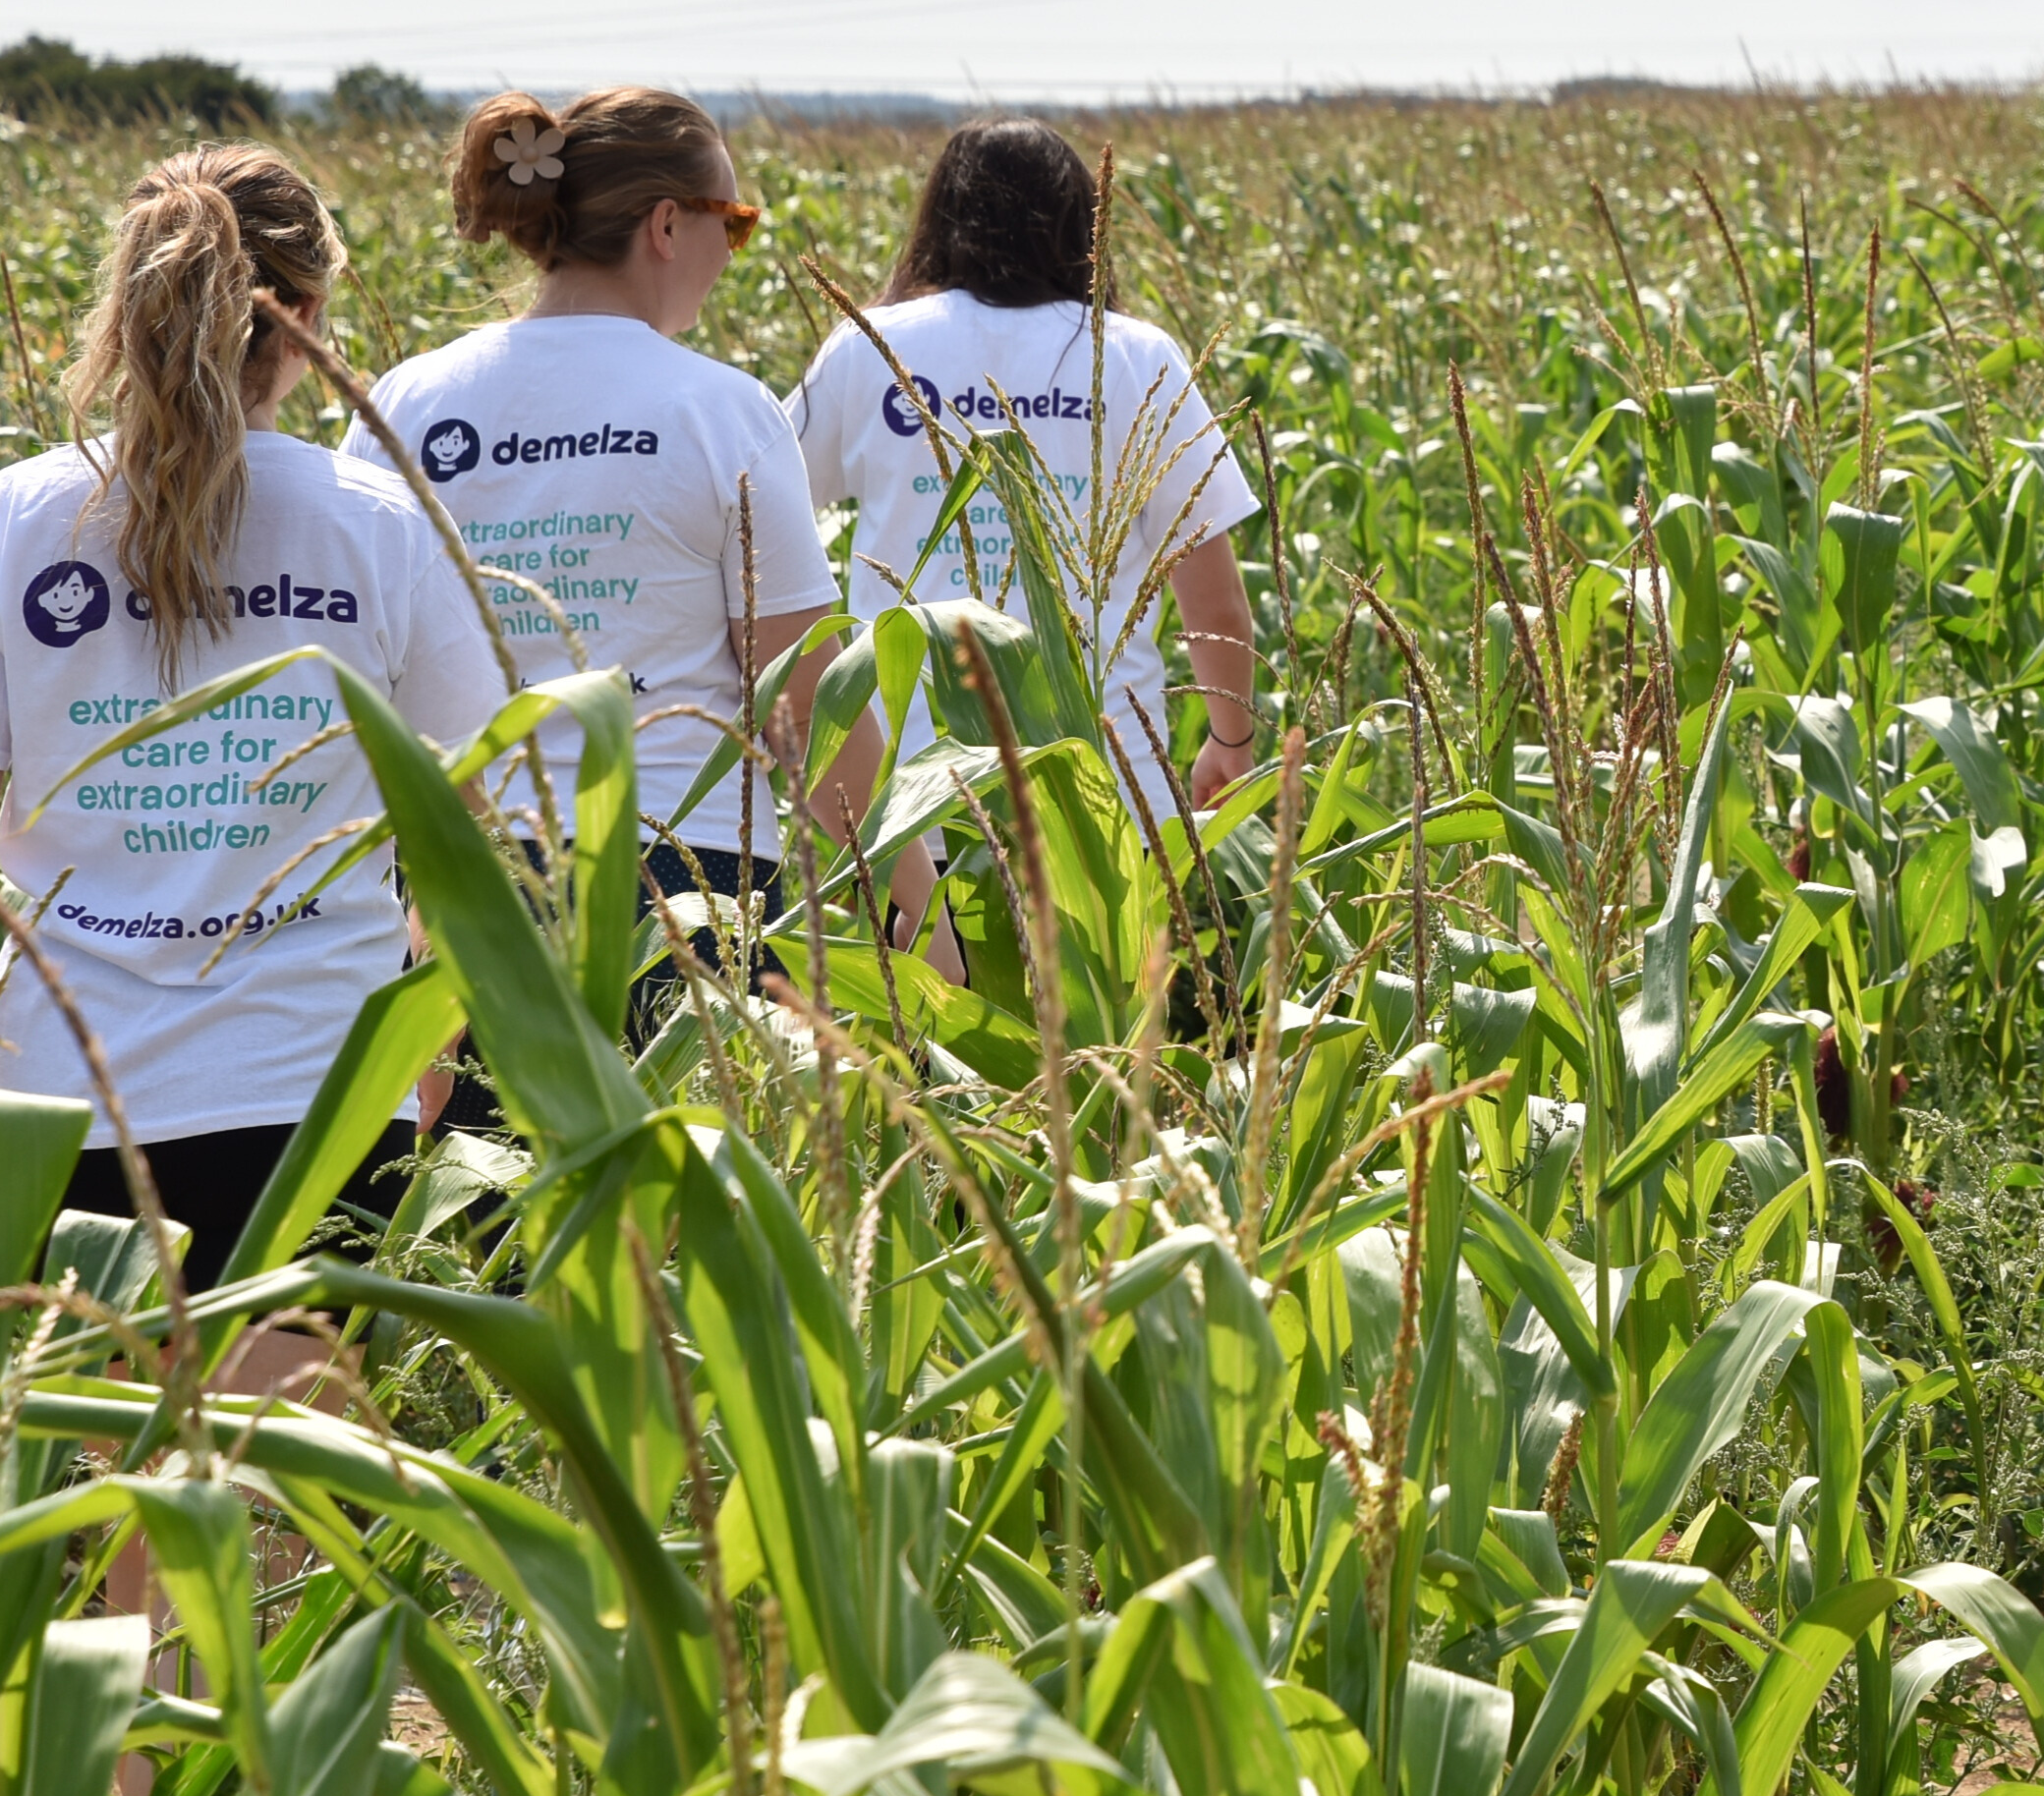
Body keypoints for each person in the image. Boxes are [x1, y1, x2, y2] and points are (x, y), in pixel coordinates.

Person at [0, 145, 507, 1285]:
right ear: (312, 315)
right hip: (319, 1080)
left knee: (92, 1455)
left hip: (59, 1097)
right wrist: (433, 1053)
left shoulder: (16, 520)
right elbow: (467, 829)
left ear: (127, 310)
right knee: (292, 1459)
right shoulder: (383, 525)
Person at [354, 88, 952, 981]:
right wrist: (916, 898)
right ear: (667, 226)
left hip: (455, 885)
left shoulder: (404, 401)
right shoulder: (722, 410)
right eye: (735, 222)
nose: (734, 252)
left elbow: (357, 663)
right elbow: (798, 693)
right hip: (684, 882)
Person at [786, 119, 1259, 814]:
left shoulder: (870, 346)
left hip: (908, 790)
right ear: (1081, 226)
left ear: (940, 222)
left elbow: (761, 511)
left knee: (920, 929)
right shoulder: (1136, 357)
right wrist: (1231, 740)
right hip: (1108, 783)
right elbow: (1212, 598)